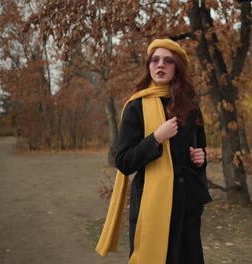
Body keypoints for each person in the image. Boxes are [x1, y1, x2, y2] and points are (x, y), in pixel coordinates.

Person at [96, 39, 212, 264]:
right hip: (152, 206)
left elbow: (200, 150)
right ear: (148, 66)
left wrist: (201, 159)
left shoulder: (191, 107)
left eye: (168, 60)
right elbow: (124, 162)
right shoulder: (135, 106)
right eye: (155, 60)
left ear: (177, 67)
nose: (161, 65)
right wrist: (156, 138)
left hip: (186, 205)